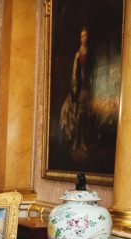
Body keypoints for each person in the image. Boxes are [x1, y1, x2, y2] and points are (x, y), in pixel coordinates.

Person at [59, 27, 92, 155]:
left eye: (86, 36)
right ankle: (76, 141)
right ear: (80, 38)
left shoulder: (90, 53)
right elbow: (74, 74)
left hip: (88, 89)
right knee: (78, 117)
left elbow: (92, 72)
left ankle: (83, 141)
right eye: (82, 36)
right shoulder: (78, 55)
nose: (84, 38)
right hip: (79, 90)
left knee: (84, 117)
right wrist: (74, 90)